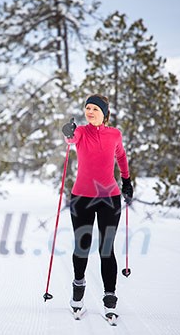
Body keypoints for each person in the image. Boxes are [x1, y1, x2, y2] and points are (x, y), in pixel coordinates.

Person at [61, 94, 133, 320]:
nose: (90, 112)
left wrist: (127, 180)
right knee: (82, 246)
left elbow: (121, 156)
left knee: (106, 248)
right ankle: (78, 288)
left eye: (94, 108)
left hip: (109, 199)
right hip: (81, 198)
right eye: (87, 108)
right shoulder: (81, 132)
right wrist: (68, 132)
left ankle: (110, 298)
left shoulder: (115, 134)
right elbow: (71, 139)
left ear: (104, 113)